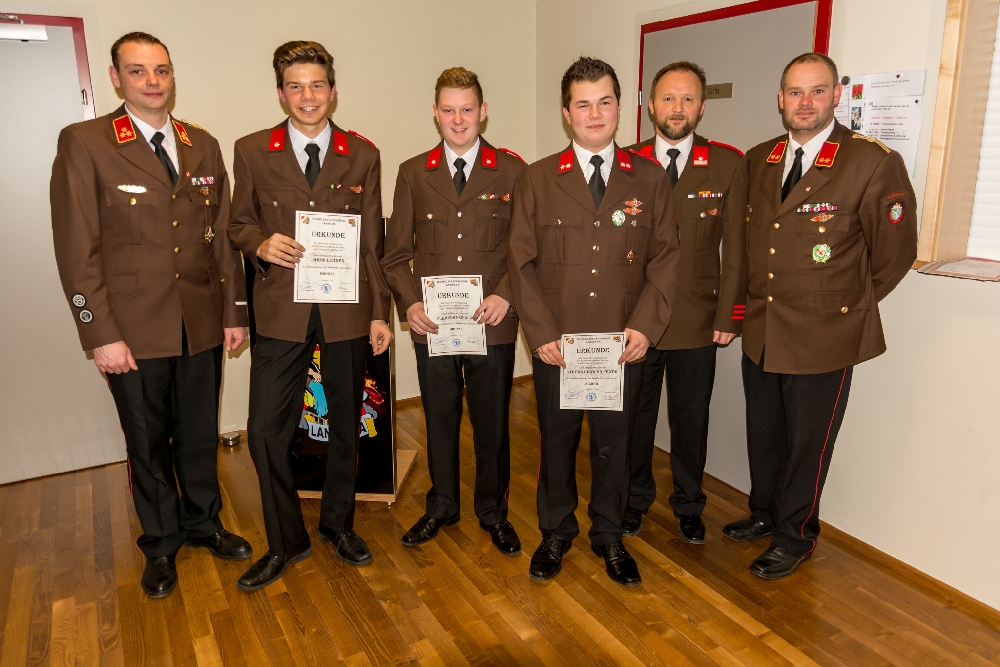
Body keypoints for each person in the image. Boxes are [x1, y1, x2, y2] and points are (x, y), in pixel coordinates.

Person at [50, 32, 252, 599]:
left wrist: (234, 310)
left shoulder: (201, 144)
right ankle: (161, 542)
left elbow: (220, 237)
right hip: (132, 330)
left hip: (201, 322)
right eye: (137, 71)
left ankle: (204, 523)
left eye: (161, 69)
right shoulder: (87, 142)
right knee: (148, 440)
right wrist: (100, 334)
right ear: (116, 79)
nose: (152, 81)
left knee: (198, 433)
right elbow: (77, 249)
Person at [724, 52, 917, 579]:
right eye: (794, 92)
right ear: (780, 99)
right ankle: (765, 513)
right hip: (763, 331)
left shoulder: (870, 162)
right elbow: (749, 246)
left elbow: (894, 255)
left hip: (824, 336)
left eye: (816, 91)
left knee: (808, 445)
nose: (804, 102)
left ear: (836, 95)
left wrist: (841, 304)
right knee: (765, 434)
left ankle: (795, 536)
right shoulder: (760, 159)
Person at [507, 56, 680, 586]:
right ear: (566, 113)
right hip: (558, 346)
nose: (595, 114)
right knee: (556, 443)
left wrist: (645, 327)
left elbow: (666, 258)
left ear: (620, 107)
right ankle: (556, 530)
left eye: (605, 102)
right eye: (583, 104)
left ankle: (609, 534)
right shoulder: (538, 178)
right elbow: (520, 262)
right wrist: (540, 335)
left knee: (615, 445)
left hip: (621, 345)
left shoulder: (649, 178)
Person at [228, 41, 393, 591]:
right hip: (281, 311)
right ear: (281, 93)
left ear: (332, 90)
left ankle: (337, 526)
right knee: (264, 432)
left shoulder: (362, 154)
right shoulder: (253, 150)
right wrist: (259, 243)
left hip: (347, 311)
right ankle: (285, 541)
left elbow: (372, 243)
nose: (307, 96)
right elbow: (238, 223)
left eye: (317, 85)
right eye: (295, 86)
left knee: (347, 425)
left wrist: (379, 312)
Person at [382, 68, 525, 555]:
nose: (458, 119)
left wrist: (506, 294)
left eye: (467, 109)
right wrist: (410, 303)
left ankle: (493, 512)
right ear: (435, 113)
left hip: (493, 324)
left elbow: (526, 249)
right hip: (434, 326)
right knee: (439, 418)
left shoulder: (512, 171)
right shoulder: (412, 172)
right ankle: (442, 504)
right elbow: (395, 256)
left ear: (483, 111)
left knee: (492, 423)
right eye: (448, 110)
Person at [623, 61, 747, 544]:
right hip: (636, 319)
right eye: (668, 99)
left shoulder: (728, 164)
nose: (678, 108)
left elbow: (736, 249)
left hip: (697, 319)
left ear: (701, 107)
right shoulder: (625, 162)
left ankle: (690, 503)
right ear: (651, 106)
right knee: (634, 419)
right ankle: (633, 500)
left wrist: (730, 313)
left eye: (688, 99)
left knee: (691, 421)